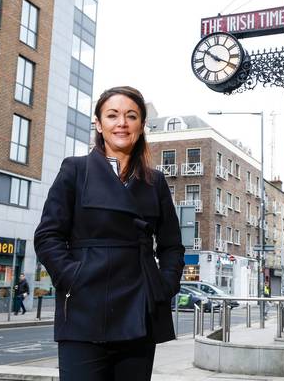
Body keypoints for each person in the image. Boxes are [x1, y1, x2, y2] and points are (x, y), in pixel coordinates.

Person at [34, 86, 185, 381]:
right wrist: (73, 277)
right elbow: (48, 236)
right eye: (112, 115)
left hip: (138, 309)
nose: (122, 123)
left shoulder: (155, 181)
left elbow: (171, 246)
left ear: (141, 126)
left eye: (131, 116)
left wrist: (163, 287)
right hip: (84, 307)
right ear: (99, 124)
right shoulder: (75, 170)